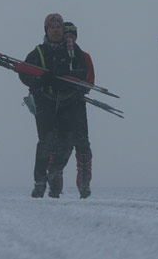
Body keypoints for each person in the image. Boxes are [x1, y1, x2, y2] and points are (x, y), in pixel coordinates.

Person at [19, 13, 90, 199]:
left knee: (67, 143)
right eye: (52, 27)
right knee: (46, 142)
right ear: (46, 30)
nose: (56, 29)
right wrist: (40, 80)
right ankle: (40, 183)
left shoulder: (73, 50)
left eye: (59, 26)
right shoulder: (38, 52)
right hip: (45, 102)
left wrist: (67, 79)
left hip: (69, 102)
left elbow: (83, 72)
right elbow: (23, 73)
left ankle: (54, 171)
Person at [46, 21, 94, 199]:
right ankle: (54, 189)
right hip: (58, 106)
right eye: (67, 34)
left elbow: (90, 82)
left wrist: (79, 89)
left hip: (77, 105)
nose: (69, 38)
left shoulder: (83, 56)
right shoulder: (54, 54)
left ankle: (84, 187)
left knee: (82, 146)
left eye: (72, 34)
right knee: (59, 147)